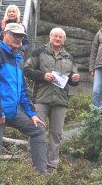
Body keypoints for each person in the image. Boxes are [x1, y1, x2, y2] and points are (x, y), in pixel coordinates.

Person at [0, 23, 47, 173]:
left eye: (21, 36)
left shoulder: (18, 58)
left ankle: (41, 175)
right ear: (4, 34)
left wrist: (32, 114)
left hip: (12, 110)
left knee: (38, 129)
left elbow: (23, 89)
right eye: (14, 35)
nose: (18, 39)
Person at [24, 27, 80, 170]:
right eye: (55, 36)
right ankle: (33, 163)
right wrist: (43, 76)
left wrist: (75, 79)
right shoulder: (39, 52)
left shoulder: (69, 57)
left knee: (56, 134)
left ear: (64, 39)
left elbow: (73, 80)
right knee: (37, 131)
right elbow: (27, 70)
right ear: (50, 36)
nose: (57, 39)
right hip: (41, 98)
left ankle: (52, 165)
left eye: (60, 37)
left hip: (61, 101)